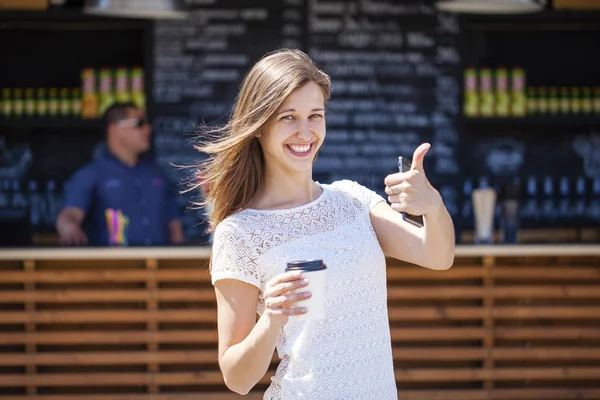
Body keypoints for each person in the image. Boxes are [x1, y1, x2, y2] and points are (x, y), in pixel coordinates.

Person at [193, 49, 455, 399]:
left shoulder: (353, 200)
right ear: (258, 126)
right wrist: (271, 318)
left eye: (315, 115)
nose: (305, 132)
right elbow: (237, 379)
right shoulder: (240, 233)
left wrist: (432, 207)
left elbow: (438, 256)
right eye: (288, 117)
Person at [56, 102, 184, 246]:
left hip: (160, 264)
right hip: (113, 265)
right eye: (139, 123)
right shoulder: (91, 174)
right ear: (115, 129)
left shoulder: (158, 173)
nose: (148, 129)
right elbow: (70, 214)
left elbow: (174, 225)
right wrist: (67, 226)